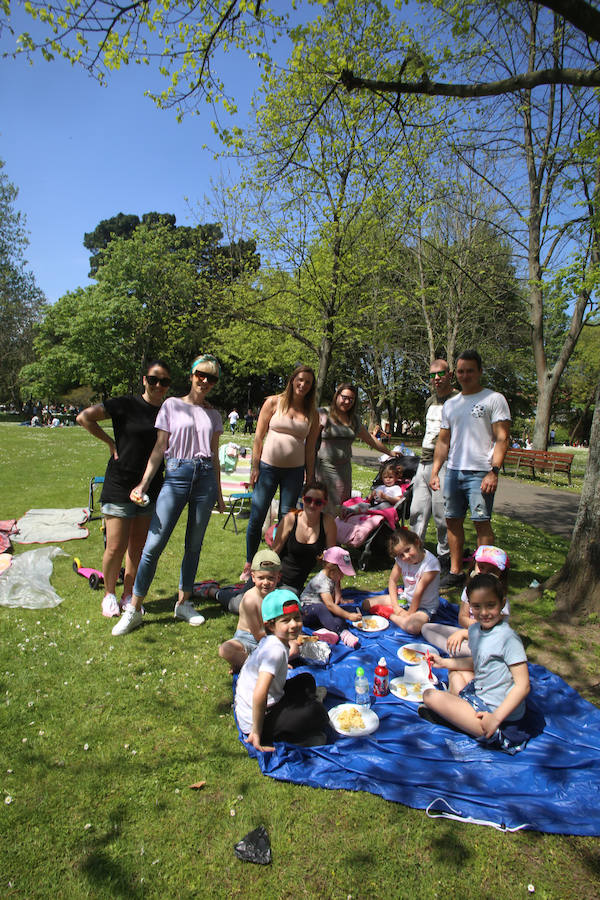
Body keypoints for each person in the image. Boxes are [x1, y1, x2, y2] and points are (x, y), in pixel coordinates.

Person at [112, 354, 226, 636]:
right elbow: (159, 448)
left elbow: (214, 457)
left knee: (194, 545)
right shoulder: (171, 405)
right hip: (175, 476)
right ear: (191, 375)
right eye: (201, 374)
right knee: (153, 545)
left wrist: (220, 494)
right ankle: (134, 608)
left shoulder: (214, 414)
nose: (205, 381)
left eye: (211, 378)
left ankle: (184, 603)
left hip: (205, 481)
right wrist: (143, 483)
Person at [76, 360, 171, 617]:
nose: (159, 385)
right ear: (144, 380)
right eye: (154, 379)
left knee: (137, 547)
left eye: (164, 381)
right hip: (120, 482)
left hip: (150, 487)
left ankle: (129, 593)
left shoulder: (167, 411)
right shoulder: (125, 404)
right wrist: (110, 442)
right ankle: (109, 594)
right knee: (115, 546)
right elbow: (84, 417)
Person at [422, 573, 533, 754]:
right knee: (455, 672)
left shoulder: (508, 638)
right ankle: (459, 715)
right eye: (476, 606)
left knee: (429, 696)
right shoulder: (475, 630)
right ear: (470, 606)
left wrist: (495, 719)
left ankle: (457, 719)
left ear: (502, 603)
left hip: (500, 718)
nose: (484, 613)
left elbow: (524, 686)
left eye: (490, 605)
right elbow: (478, 662)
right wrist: (444, 662)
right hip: (481, 695)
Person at [429, 350, 511, 589]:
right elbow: (443, 441)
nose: (465, 375)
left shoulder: (494, 399)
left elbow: (502, 438)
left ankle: (486, 572)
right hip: (454, 471)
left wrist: (493, 471)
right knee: (452, 521)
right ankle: (455, 571)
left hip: (481, 472)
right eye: (461, 371)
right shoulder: (452, 404)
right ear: (457, 374)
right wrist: (436, 471)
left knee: (481, 522)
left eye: (470, 371)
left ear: (480, 372)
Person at [241, 365, 321, 581]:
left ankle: (275, 563)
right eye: (300, 380)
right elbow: (258, 437)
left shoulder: (312, 413)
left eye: (308, 382)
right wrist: (254, 467)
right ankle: (250, 563)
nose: (303, 385)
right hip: (267, 468)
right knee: (257, 516)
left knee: (287, 519)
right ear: (292, 380)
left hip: (294, 473)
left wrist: (310, 477)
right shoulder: (274, 402)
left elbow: (311, 448)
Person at [234, 589, 330, 751]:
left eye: (297, 618)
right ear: (271, 625)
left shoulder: (276, 640)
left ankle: (300, 711)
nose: (294, 625)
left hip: (268, 702)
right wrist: (256, 732)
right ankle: (295, 738)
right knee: (318, 714)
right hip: (258, 719)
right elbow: (260, 692)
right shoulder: (275, 650)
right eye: (285, 620)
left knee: (306, 679)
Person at [315, 383, 400, 513]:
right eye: (344, 397)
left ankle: (338, 532)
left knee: (342, 507)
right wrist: (307, 470)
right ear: (337, 396)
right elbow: (310, 443)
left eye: (351, 399)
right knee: (323, 507)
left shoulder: (354, 420)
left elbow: (370, 439)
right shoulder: (323, 413)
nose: (347, 401)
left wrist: (389, 452)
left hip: (344, 470)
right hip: (324, 469)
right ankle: (322, 532)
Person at [422, 545, 510, 658]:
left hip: (488, 643)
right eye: (481, 567)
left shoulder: (500, 598)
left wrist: (465, 632)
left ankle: (465, 657)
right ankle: (456, 651)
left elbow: (490, 629)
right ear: (474, 566)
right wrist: (466, 632)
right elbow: (462, 619)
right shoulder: (469, 590)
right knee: (426, 628)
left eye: (492, 570)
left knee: (465, 650)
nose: (484, 573)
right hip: (469, 636)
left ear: (501, 575)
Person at [410, 360, 457, 571]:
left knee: (442, 515)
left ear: (450, 374)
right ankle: (412, 553)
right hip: (424, 462)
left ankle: (444, 558)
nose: (436, 378)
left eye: (441, 374)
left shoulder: (459, 400)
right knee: (416, 510)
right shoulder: (430, 401)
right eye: (432, 375)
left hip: (446, 464)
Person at [362, 528, 440, 635]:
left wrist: (409, 613)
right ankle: (394, 612)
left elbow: (419, 591)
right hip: (405, 599)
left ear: (417, 542)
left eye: (408, 550)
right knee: (366, 604)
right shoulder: (400, 560)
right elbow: (392, 580)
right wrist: (396, 607)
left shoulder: (431, 564)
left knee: (412, 627)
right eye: (401, 555)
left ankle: (389, 615)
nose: (406, 556)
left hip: (423, 607)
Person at [218, 549, 281, 673]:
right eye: (261, 578)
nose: (266, 582)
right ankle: (255, 664)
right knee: (225, 649)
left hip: (269, 637)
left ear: (278, 577)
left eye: (271, 578)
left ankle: (245, 664)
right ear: (253, 577)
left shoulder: (277, 596)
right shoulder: (250, 599)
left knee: (294, 646)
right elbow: (258, 634)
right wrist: (278, 641)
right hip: (247, 639)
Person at [272, 481, 338, 595]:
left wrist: (337, 591)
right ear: (303, 499)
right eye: (308, 500)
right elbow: (274, 552)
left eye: (318, 502)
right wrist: (267, 579)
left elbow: (332, 560)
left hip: (295, 586)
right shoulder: (291, 519)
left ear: (324, 504)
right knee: (241, 603)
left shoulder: (328, 522)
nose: (312, 505)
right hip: (274, 579)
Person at [300, 546, 361, 647]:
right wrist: (349, 615)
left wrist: (341, 611)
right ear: (331, 568)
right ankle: (343, 634)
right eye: (341, 572)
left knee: (339, 618)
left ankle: (326, 632)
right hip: (306, 612)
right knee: (323, 608)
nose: (342, 576)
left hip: (318, 612)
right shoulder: (321, 581)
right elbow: (329, 605)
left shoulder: (331, 577)